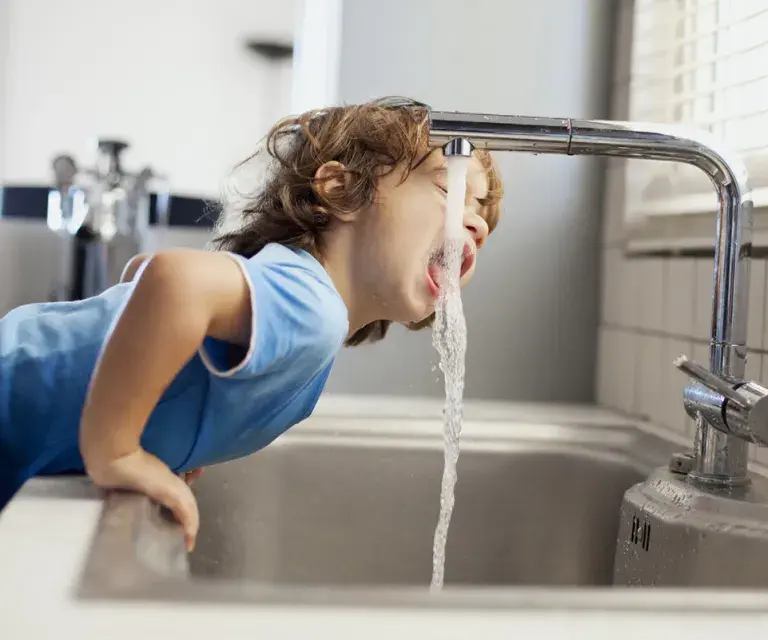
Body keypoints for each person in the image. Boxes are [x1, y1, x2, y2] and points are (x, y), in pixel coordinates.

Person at [0, 96, 503, 550]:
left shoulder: (301, 302)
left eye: (482, 213)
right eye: (449, 188)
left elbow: (140, 281)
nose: (476, 223)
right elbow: (172, 281)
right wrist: (118, 447)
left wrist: (165, 428)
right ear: (341, 190)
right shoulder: (313, 308)